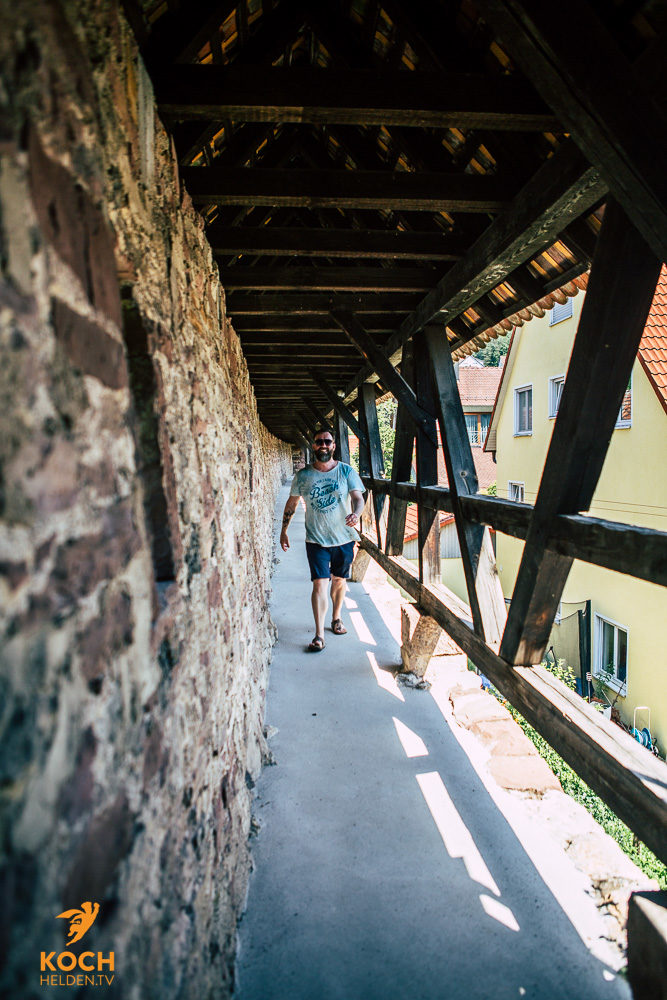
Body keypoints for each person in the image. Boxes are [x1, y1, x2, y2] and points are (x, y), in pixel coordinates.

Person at [281, 430, 365, 652]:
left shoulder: (346, 471)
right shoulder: (303, 476)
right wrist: (283, 530)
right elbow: (291, 504)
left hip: (343, 539)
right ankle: (319, 635)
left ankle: (336, 618)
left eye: (327, 441)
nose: (323, 445)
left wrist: (356, 514)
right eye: (319, 442)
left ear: (334, 445)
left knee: (338, 581)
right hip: (316, 539)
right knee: (319, 583)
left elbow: (358, 498)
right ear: (314, 446)